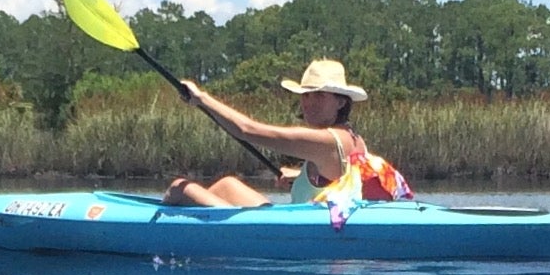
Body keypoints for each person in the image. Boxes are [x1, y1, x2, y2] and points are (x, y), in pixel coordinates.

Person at [161, 60, 412, 207]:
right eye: (305, 95)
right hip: (304, 230)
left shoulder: (326, 141)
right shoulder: (353, 138)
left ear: (341, 102)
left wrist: (202, 99)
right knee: (227, 185)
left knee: (179, 188)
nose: (308, 102)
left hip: (302, 238)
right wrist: (301, 176)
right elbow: (336, 179)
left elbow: (247, 130)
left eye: (319, 95)